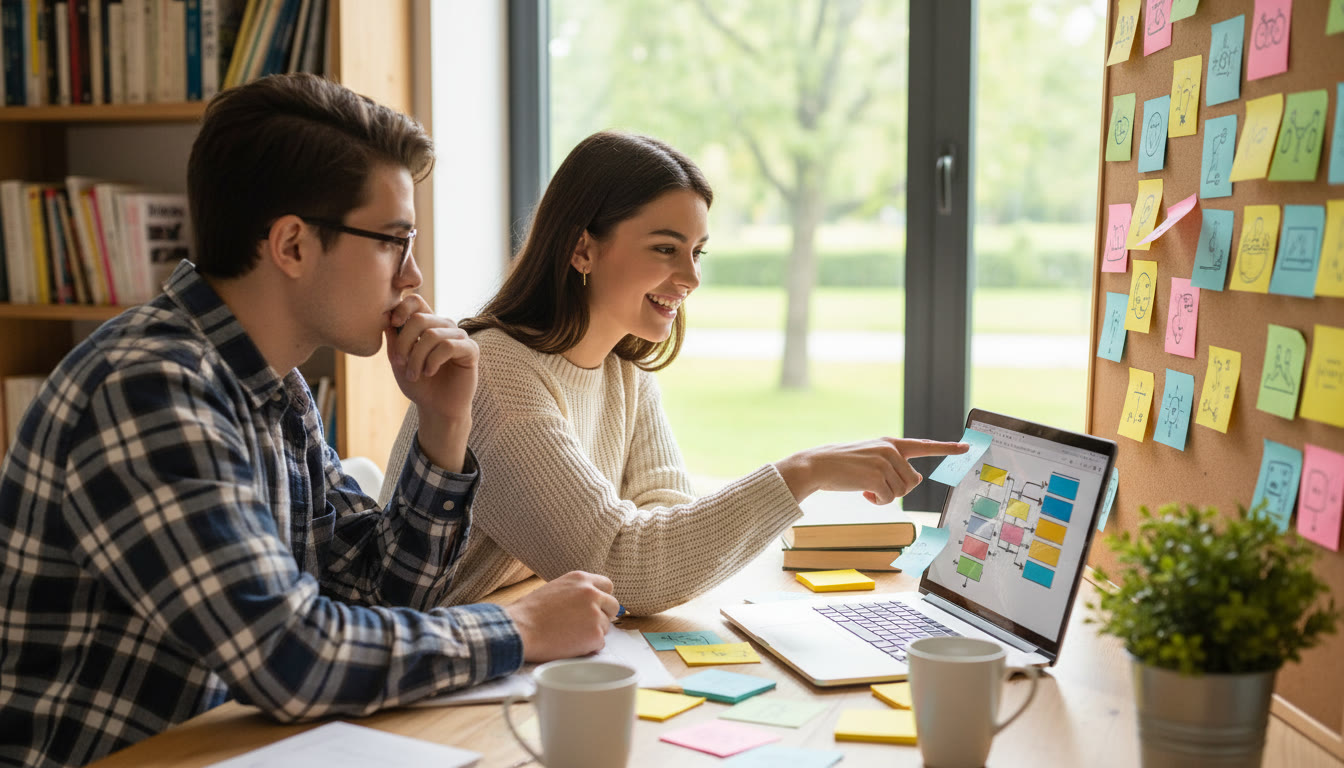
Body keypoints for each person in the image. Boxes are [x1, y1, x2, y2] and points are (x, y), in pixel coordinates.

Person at [0, 75, 615, 768]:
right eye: (394, 241)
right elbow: (290, 656)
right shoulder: (149, 388)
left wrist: (444, 428)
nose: (412, 277)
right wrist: (515, 627)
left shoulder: (273, 385)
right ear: (291, 245)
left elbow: (374, 593)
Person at [382, 131, 968, 616]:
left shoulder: (624, 375)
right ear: (582, 250)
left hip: (511, 653)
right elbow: (627, 568)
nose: (690, 278)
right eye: (666, 249)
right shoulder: (498, 376)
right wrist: (803, 473)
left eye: (698, 251)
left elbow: (665, 520)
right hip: (426, 680)